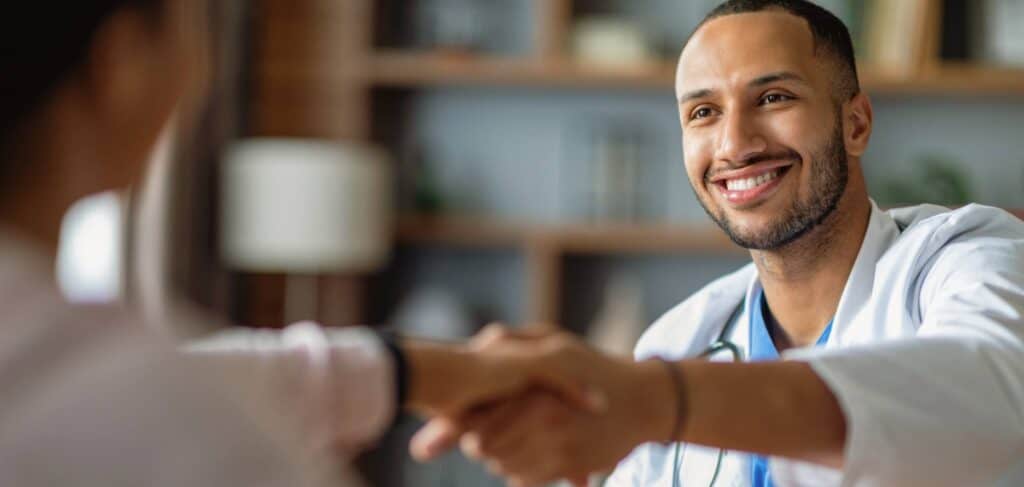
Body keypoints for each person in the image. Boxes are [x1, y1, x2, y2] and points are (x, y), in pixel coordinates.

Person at [413, 1, 1024, 486]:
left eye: (774, 98)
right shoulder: (679, 340)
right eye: (703, 112)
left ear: (855, 123)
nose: (734, 145)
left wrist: (659, 402)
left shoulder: (967, 256)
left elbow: (986, 396)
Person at [0, 1, 598, 485]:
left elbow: (205, 382)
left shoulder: (97, 385)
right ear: (123, 61)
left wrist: (429, 373)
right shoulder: (168, 424)